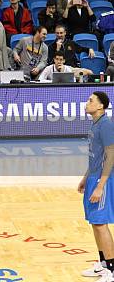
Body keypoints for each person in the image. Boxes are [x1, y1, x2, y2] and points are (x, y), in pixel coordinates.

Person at [78, 92, 114, 280]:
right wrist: (86, 177)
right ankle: (102, 264)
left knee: (101, 223)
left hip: (103, 180)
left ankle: (112, 269)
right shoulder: (95, 123)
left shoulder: (106, 125)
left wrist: (101, 186)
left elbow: (110, 156)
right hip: (93, 178)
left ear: (100, 106)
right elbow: (95, 156)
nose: (87, 103)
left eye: (91, 100)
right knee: (95, 222)